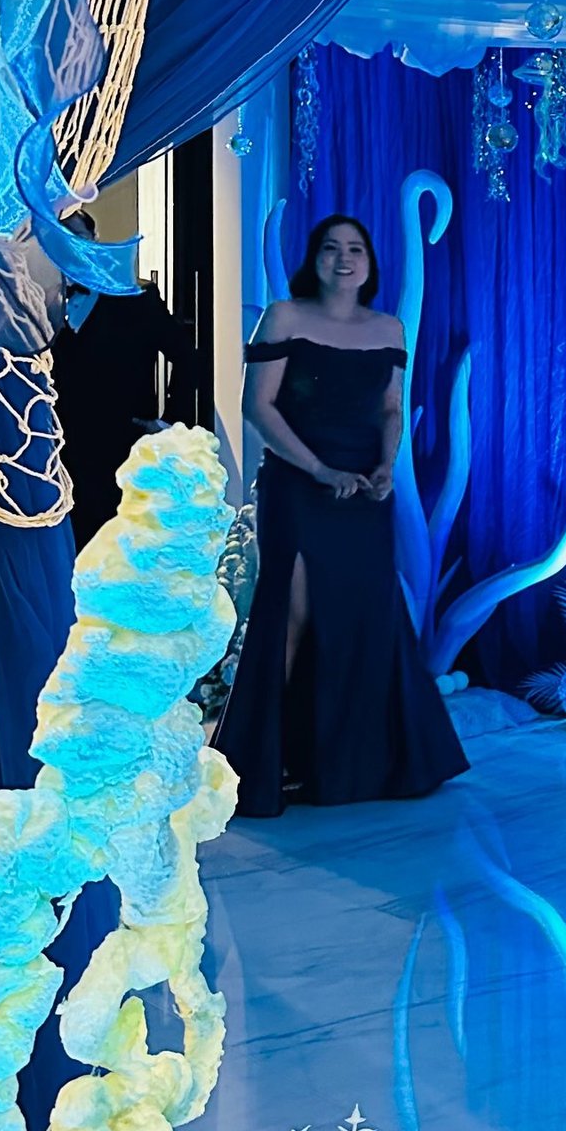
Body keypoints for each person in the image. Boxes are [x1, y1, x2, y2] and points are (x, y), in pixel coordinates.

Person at [216, 214, 466, 816]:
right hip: (300, 487)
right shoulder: (284, 316)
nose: (344, 258)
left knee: (363, 618)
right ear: (316, 258)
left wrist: (385, 468)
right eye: (330, 247)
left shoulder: (388, 328)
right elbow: (259, 407)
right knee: (294, 615)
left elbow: (389, 410)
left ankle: (350, 763)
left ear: (370, 263)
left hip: (364, 494)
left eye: (356, 248)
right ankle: (262, 763)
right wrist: (320, 471)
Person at [50, 213, 203, 547]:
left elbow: (187, 359)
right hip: (59, 449)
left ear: (94, 238)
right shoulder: (37, 295)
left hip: (122, 446)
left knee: (119, 551)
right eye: (60, 233)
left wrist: (169, 422)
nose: (70, 242)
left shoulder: (136, 298)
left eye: (78, 234)